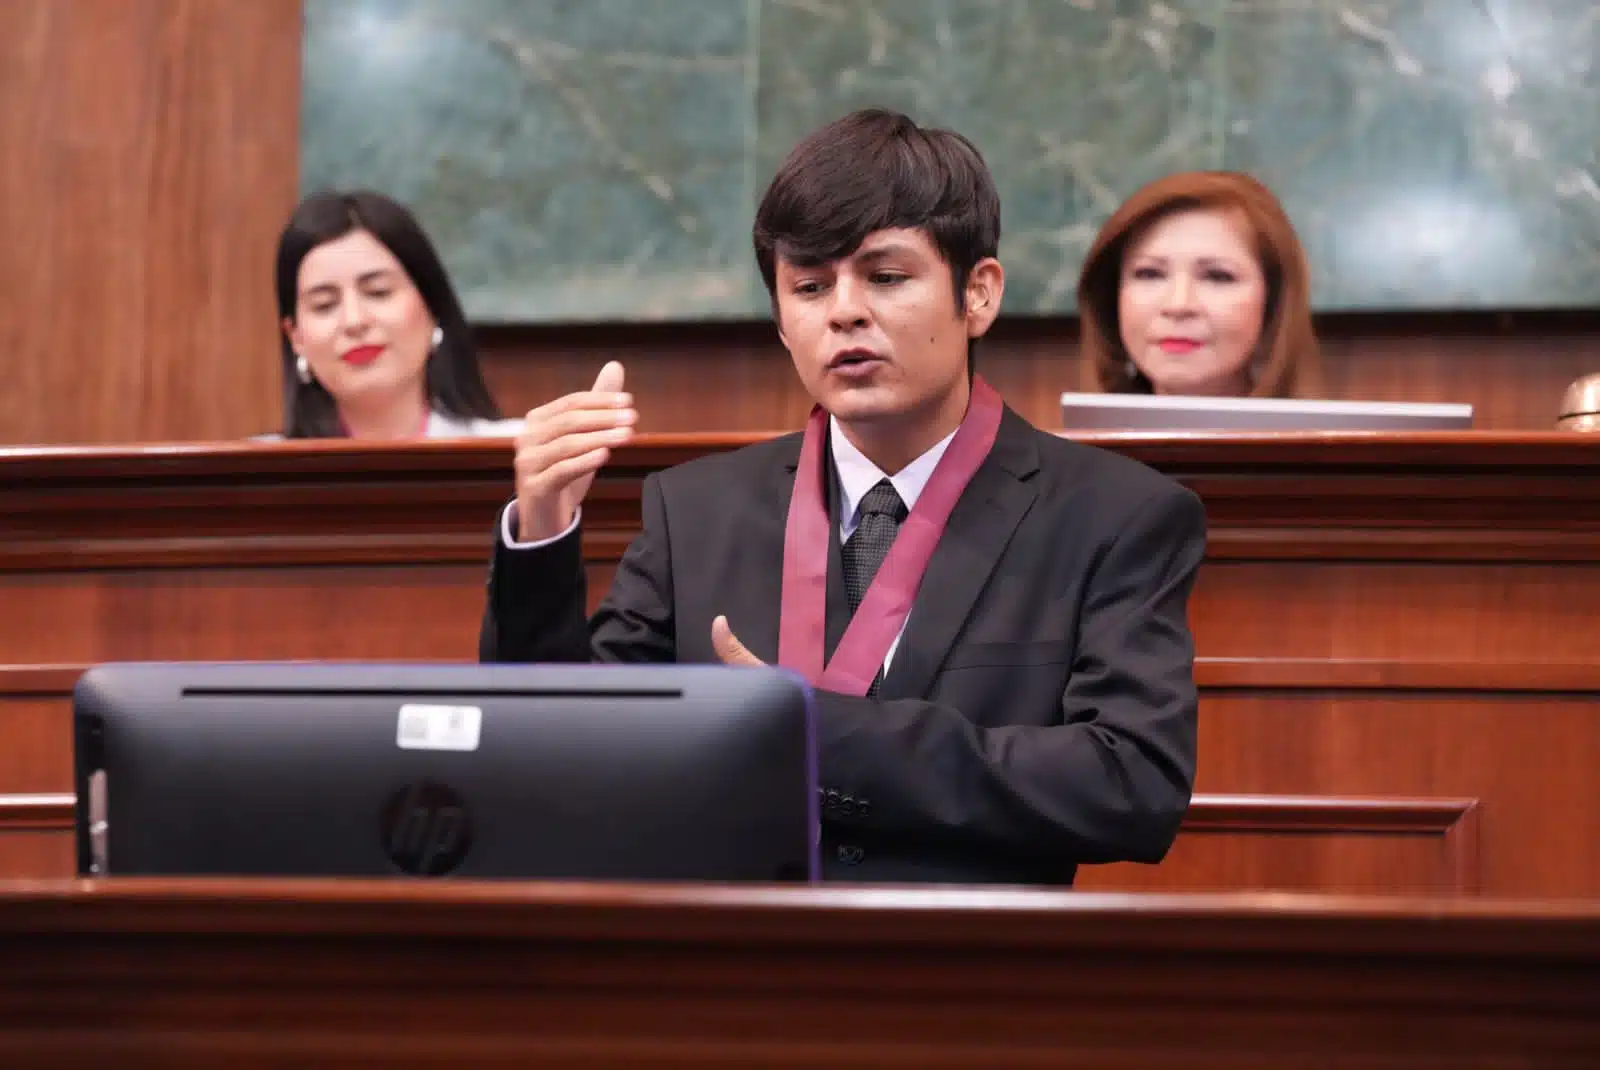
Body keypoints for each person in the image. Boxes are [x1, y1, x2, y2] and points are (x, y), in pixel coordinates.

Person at [481, 109, 1207, 885]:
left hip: (969, 982)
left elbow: (1133, 783)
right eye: (809, 285)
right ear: (782, 322)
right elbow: (554, 753)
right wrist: (544, 528)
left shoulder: (1110, 514)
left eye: (886, 277)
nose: (845, 311)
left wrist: (815, 734)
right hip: (727, 974)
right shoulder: (694, 511)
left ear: (980, 295)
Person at [273, 190, 521, 439]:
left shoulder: (518, 454)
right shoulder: (256, 472)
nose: (354, 321)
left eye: (378, 292)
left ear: (432, 307)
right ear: (295, 337)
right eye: (324, 305)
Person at [1078, 171, 1321, 398]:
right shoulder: (1061, 444)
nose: (1178, 305)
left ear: (1273, 303)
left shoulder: (1333, 444)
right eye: (1150, 273)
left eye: (1217, 276)